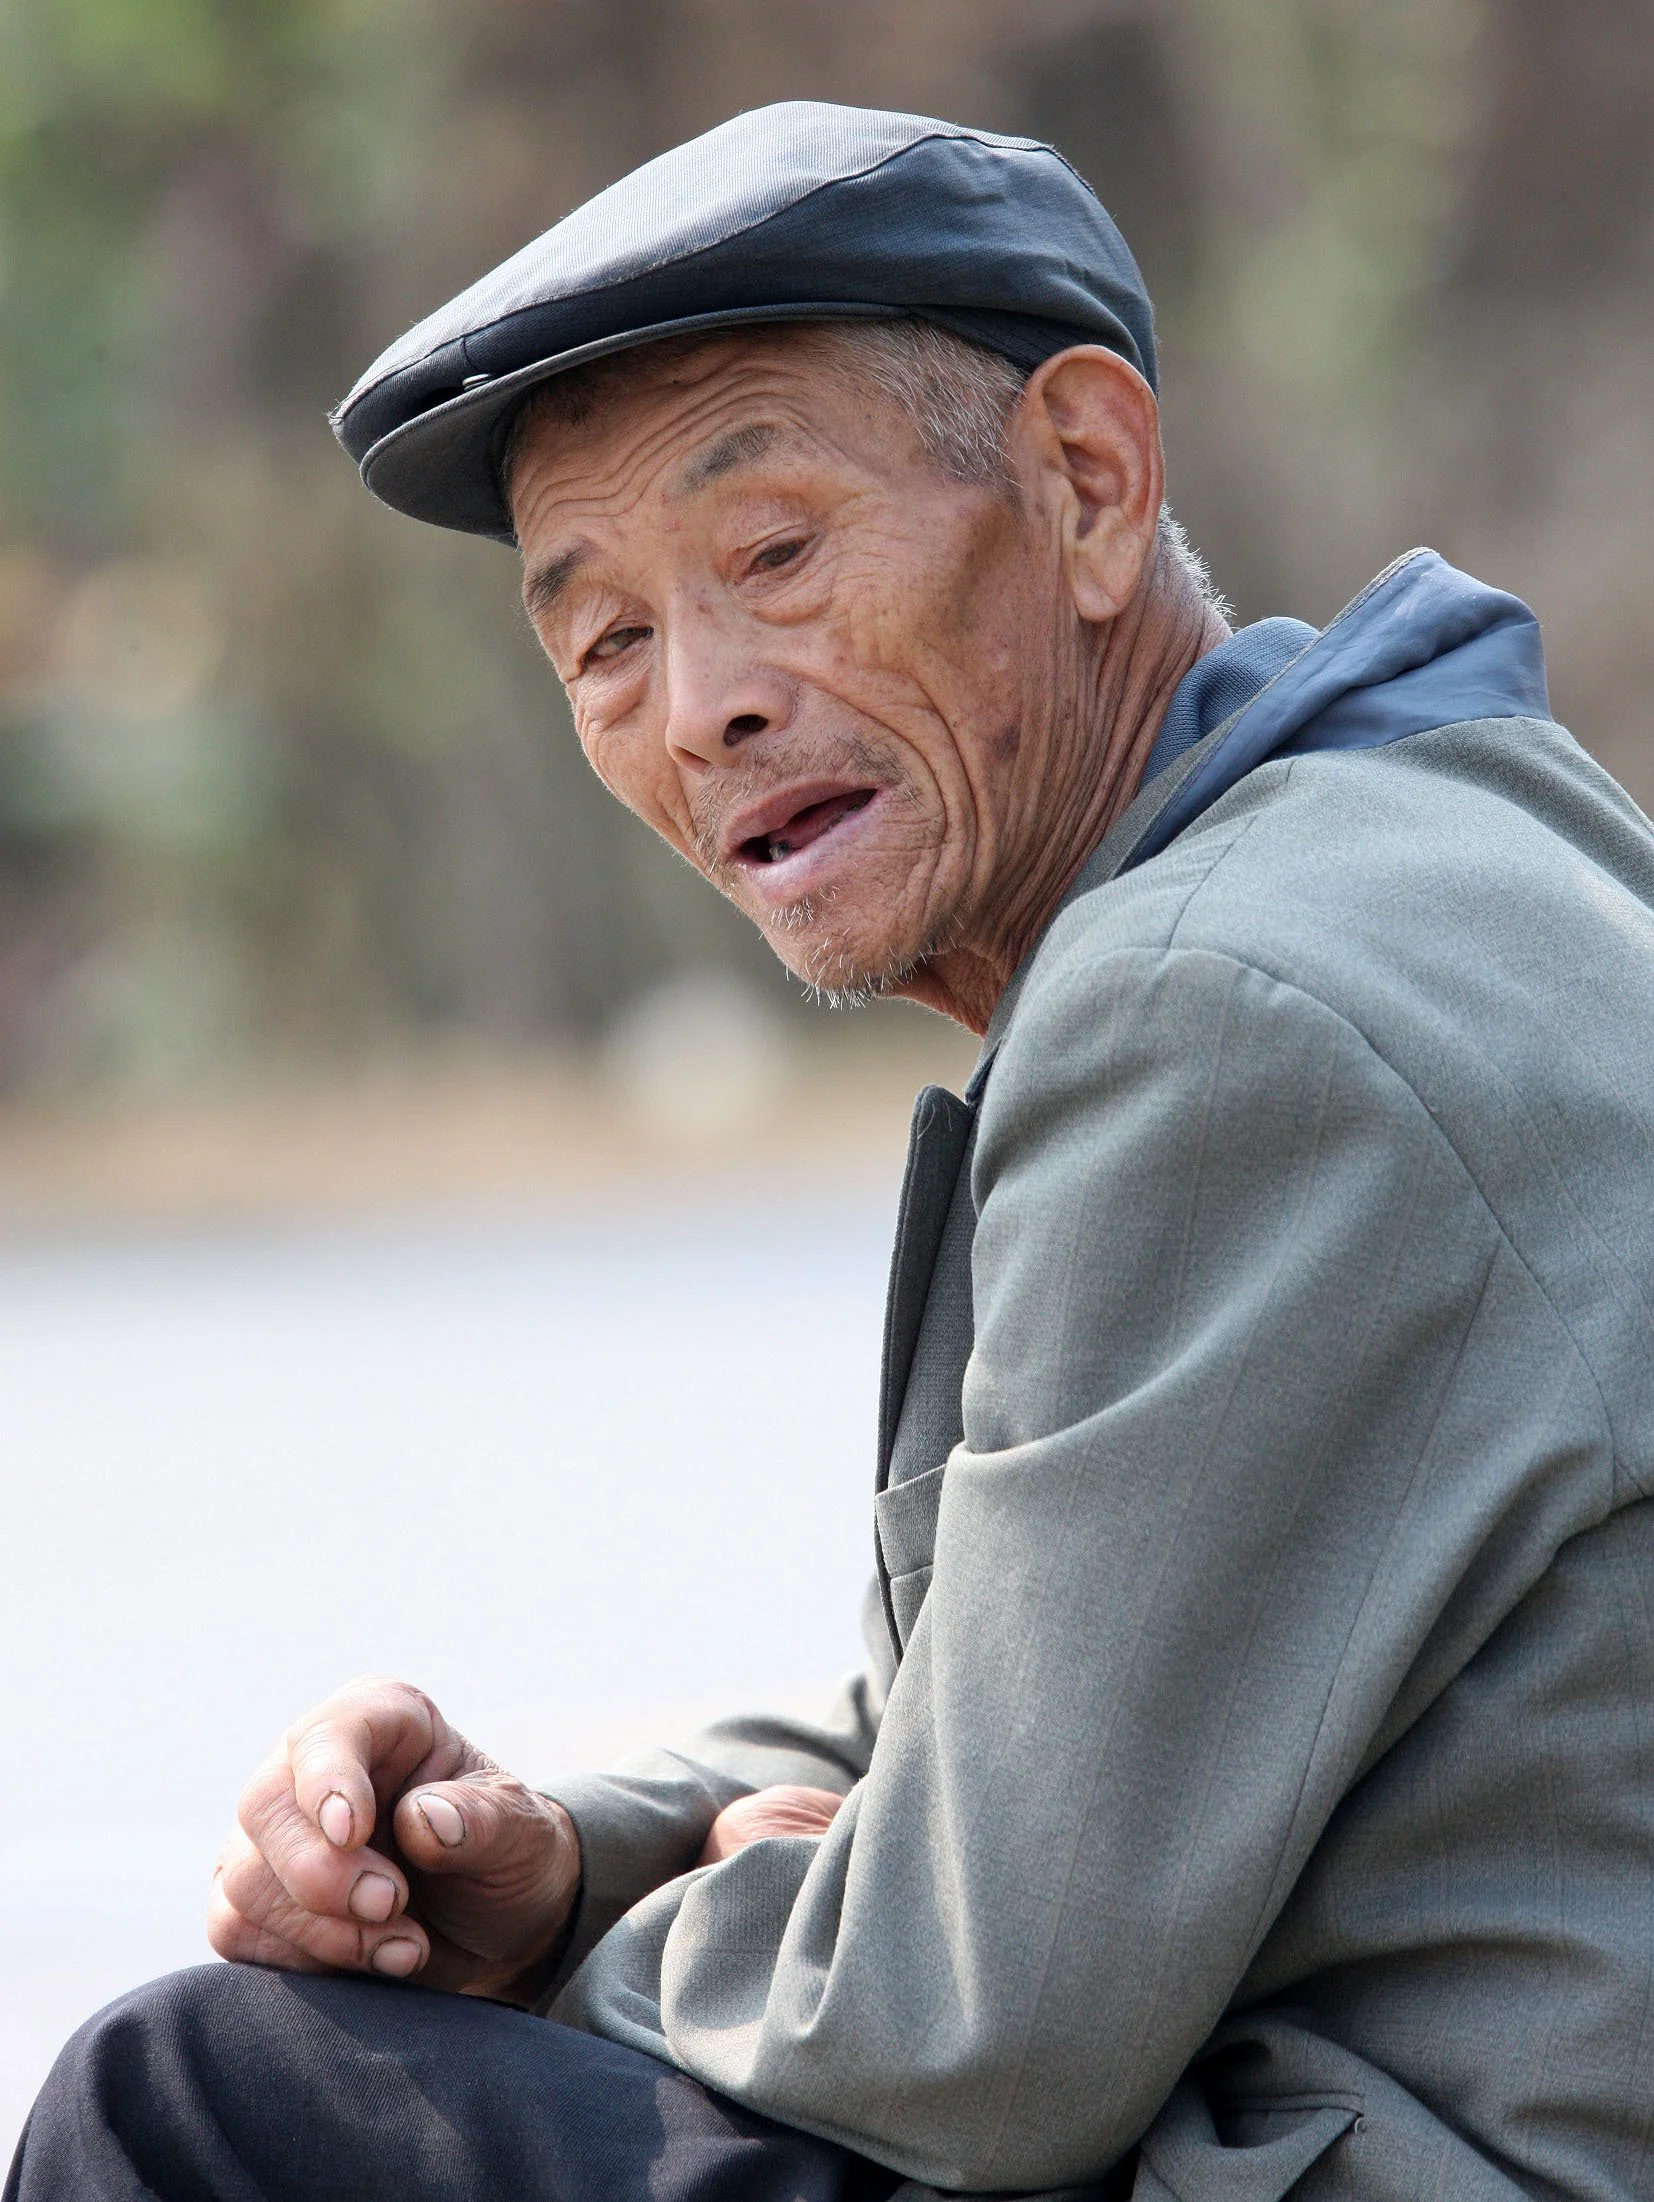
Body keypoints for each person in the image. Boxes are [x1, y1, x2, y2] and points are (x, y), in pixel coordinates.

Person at [13, 98, 1654, 2202]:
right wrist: (580, 1846)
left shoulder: (1213, 1010)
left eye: (772, 553)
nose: (697, 705)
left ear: (1083, 480)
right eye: (603, 639)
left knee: (208, 2103)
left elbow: (965, 2030)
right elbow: (1021, 1715)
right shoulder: (1436, 823)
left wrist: (612, 1941)